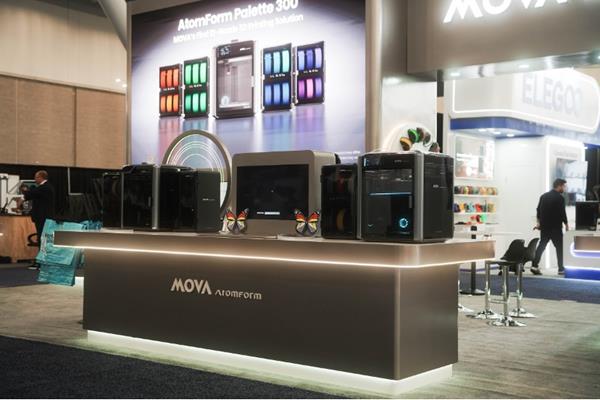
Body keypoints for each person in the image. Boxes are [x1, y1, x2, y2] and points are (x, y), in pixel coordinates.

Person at [531, 178, 568, 276]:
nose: (564, 188)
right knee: (560, 248)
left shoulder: (543, 196)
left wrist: (539, 223)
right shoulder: (560, 198)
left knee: (541, 246)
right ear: (559, 186)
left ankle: (534, 265)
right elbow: (562, 212)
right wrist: (566, 224)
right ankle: (561, 269)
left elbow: (538, 210)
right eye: (564, 186)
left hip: (545, 227)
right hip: (556, 227)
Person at [21, 171, 55, 250]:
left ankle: (42, 254)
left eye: (36, 177)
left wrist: (24, 191)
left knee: (42, 236)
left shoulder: (45, 187)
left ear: (41, 177)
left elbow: (31, 193)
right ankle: (42, 254)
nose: (35, 179)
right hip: (43, 217)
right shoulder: (45, 187)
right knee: (42, 236)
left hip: (43, 217)